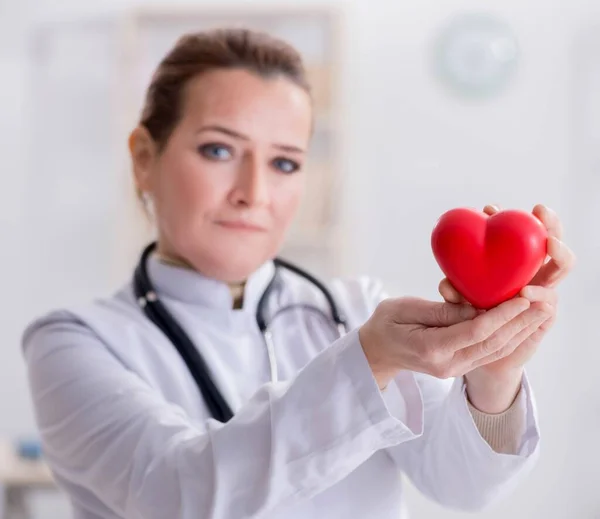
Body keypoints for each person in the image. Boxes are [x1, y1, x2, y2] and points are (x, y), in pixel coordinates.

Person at [21, 28, 575, 519]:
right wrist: (369, 362)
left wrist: (493, 372)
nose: (254, 194)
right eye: (218, 150)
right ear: (144, 156)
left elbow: (463, 487)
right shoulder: (72, 343)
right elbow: (177, 497)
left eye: (284, 162)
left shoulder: (355, 310)